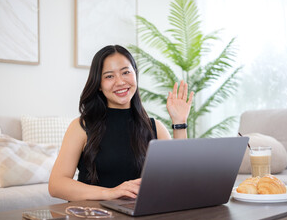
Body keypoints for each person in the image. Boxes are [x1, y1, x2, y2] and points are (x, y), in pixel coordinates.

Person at [48, 45, 194, 201]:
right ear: (98, 84)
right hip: (93, 217)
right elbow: (56, 185)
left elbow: (180, 181)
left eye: (126, 72)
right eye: (109, 76)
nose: (120, 82)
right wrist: (110, 193)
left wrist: (179, 123)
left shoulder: (155, 128)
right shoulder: (81, 126)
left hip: (140, 218)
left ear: (135, 75)